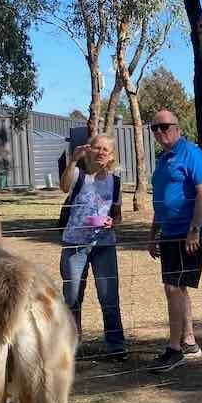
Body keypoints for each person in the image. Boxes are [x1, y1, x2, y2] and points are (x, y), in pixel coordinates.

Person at [147, 109, 202, 372]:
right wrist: (153, 233)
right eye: (154, 128)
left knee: (173, 287)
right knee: (176, 287)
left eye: (164, 126)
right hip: (169, 233)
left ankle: (174, 349)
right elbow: (162, 199)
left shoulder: (192, 153)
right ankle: (189, 342)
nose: (159, 132)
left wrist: (194, 229)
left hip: (189, 232)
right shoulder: (163, 159)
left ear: (177, 128)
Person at [58, 133, 127, 359]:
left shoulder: (115, 182)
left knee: (109, 298)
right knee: (72, 296)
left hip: (104, 245)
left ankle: (116, 346)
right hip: (74, 245)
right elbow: (63, 187)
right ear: (89, 150)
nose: (101, 152)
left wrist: (113, 222)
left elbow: (117, 215)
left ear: (112, 155)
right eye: (97, 147)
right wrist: (73, 160)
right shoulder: (79, 175)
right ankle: (71, 346)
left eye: (106, 149)